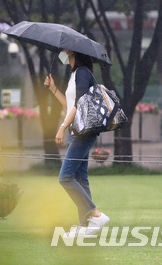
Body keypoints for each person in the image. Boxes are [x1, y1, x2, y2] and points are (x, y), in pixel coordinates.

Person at [44, 49, 110, 238]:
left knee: (65, 177)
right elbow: (69, 104)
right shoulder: (75, 74)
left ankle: (96, 215)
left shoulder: (82, 73)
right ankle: (86, 226)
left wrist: (62, 126)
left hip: (83, 131)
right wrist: (54, 89)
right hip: (78, 131)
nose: (62, 51)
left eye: (64, 49)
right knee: (81, 177)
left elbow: (80, 104)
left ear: (72, 50)